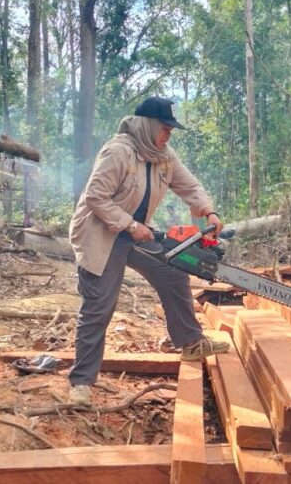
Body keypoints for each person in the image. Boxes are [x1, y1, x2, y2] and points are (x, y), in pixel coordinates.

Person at [67, 96, 230, 406]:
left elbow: (190, 186)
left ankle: (191, 341)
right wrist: (129, 225)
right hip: (101, 233)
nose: (168, 134)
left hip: (136, 232)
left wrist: (209, 211)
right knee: (99, 306)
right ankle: (81, 382)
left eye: (170, 129)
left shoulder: (163, 155)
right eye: (165, 128)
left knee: (173, 273)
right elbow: (95, 197)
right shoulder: (118, 152)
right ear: (148, 126)